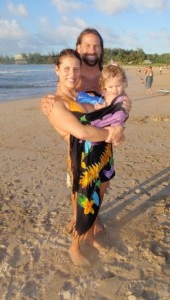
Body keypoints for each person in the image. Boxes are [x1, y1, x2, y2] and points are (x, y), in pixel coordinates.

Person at [41, 28, 132, 235]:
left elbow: (123, 103)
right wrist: (43, 102)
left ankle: (95, 218)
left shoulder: (106, 75)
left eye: (97, 45)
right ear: (78, 47)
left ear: (101, 50)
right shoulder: (73, 74)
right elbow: (59, 98)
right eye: (88, 45)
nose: (92, 49)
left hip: (104, 139)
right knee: (78, 184)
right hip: (79, 141)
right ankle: (77, 218)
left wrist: (120, 126)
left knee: (102, 184)